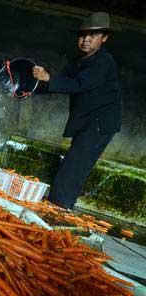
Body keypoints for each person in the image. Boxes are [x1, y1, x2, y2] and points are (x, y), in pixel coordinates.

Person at [32, 12, 121, 210]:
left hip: (100, 123)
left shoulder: (104, 61)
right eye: (82, 35)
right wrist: (31, 89)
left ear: (104, 38)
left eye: (93, 35)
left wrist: (49, 79)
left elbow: (79, 84)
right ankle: (59, 207)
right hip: (86, 121)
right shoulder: (79, 61)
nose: (86, 39)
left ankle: (59, 210)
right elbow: (61, 81)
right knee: (73, 164)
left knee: (73, 167)